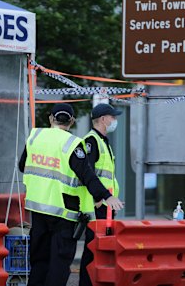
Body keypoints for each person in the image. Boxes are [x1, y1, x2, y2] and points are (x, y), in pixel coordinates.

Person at [18, 103, 124, 286]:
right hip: (63, 212)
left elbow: (22, 166)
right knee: (59, 262)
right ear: (72, 121)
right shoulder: (72, 144)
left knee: (39, 261)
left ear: (51, 118)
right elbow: (87, 175)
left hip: (38, 209)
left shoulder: (35, 137)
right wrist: (106, 196)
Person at [79, 103, 122, 286]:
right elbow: (86, 173)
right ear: (103, 119)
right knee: (93, 249)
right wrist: (98, 199)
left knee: (101, 250)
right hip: (98, 206)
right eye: (113, 117)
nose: (115, 121)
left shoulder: (103, 141)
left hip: (106, 206)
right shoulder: (91, 141)